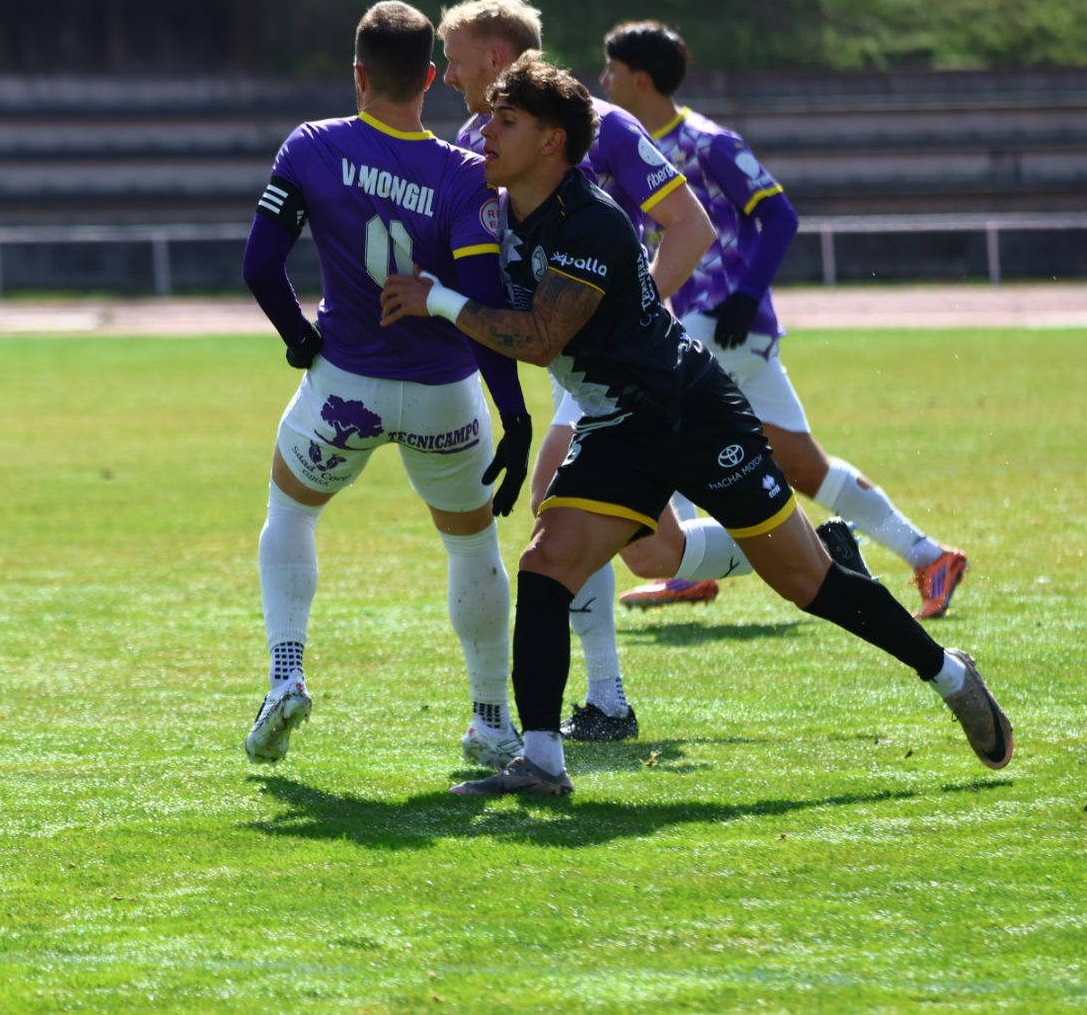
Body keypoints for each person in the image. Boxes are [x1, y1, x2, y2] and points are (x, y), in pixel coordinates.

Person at [378, 53, 1012, 797]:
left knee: (807, 583)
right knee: (546, 566)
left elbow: (542, 338)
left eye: (505, 121)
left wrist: (439, 300)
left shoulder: (591, 223)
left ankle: (949, 674)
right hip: (617, 423)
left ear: (551, 141)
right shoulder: (499, 207)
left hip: (690, 414)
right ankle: (543, 762)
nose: (484, 133)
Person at [240, 0, 532, 769]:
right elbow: (484, 307)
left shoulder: (311, 146)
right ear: (429, 79)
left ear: (360, 75)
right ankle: (491, 718)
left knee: (290, 510)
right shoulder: (467, 174)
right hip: (445, 392)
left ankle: (285, 675)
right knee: (472, 545)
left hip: (346, 384)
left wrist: (301, 339)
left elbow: (259, 265)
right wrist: (514, 415)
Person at [599, 20, 968, 622]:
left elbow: (780, 215)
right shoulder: (632, 147)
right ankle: (930, 556)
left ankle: (690, 565)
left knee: (657, 419)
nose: (603, 79)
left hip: (724, 319)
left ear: (640, 79)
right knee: (802, 465)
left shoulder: (708, 142)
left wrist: (746, 296)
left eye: (612, 70)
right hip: (709, 322)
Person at [437, 0, 715, 740]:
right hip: (567, 359)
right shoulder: (478, 140)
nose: (447, 75)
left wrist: (619, 315)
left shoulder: (605, 125)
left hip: (615, 360)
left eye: (455, 60)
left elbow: (691, 226)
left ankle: (606, 704)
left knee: (555, 508)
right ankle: (808, 550)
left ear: (496, 57)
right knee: (653, 549)